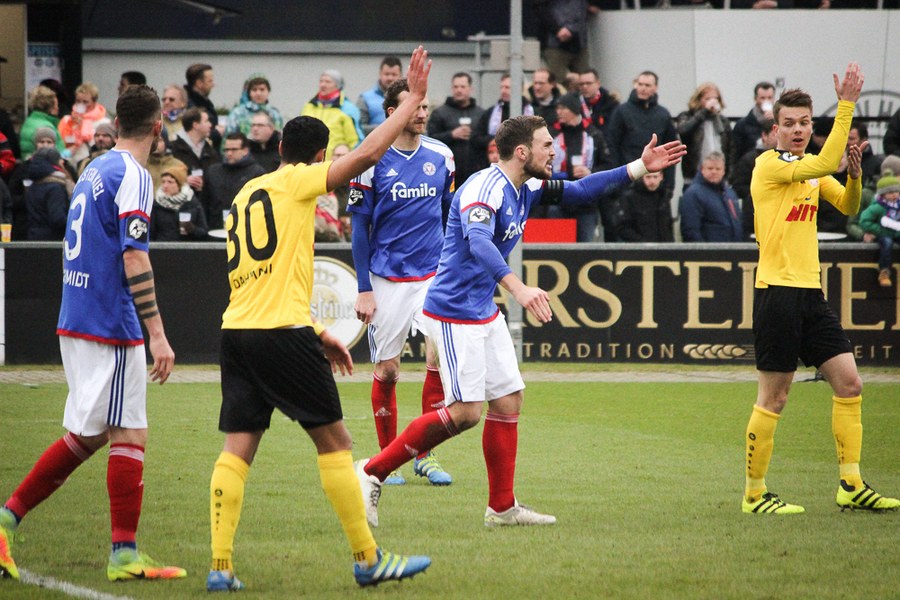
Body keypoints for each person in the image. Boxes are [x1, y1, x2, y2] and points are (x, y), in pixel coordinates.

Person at [354, 115, 685, 529]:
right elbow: (479, 242)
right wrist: (518, 288)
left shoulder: (526, 185)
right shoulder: (484, 188)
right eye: (547, 145)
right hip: (454, 311)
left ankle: (501, 508)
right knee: (465, 413)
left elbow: (581, 190)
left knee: (508, 400)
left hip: (481, 309)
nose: (555, 151)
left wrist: (638, 166)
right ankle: (371, 472)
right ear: (523, 152)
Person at [205, 46, 435, 592]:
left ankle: (220, 566)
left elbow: (259, 280)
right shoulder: (298, 180)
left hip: (237, 332)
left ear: (278, 148)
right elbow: (369, 154)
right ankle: (367, 559)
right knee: (336, 443)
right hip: (280, 335)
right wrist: (412, 102)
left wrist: (317, 331)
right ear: (316, 157)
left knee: (238, 447)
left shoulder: (247, 191)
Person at [0, 84, 186, 582]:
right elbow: (134, 255)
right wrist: (157, 333)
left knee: (93, 432)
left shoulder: (94, 168)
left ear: (116, 123)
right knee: (130, 432)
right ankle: (124, 554)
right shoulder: (135, 175)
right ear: (158, 128)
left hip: (77, 312)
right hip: (109, 318)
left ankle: (6, 519)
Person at [742, 62, 899, 515]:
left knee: (849, 384)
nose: (797, 130)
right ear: (774, 130)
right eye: (789, 123)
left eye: (804, 123)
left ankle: (851, 484)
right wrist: (846, 105)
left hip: (810, 294)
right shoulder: (769, 165)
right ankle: (754, 494)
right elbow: (827, 161)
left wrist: (855, 174)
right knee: (775, 397)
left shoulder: (809, 170)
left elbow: (849, 206)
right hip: (777, 292)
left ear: (812, 127)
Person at [348, 77, 456, 487]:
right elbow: (359, 228)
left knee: (438, 360)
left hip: (432, 275)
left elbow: (449, 214)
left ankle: (425, 455)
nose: (423, 113)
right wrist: (364, 287)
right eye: (415, 107)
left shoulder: (442, 156)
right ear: (393, 113)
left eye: (426, 106)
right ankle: (387, 458)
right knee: (389, 369)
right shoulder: (371, 160)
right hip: (387, 277)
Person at [605, 71, 679, 213]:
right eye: (640, 84)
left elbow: (671, 151)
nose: (643, 88)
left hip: (656, 183)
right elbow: (612, 147)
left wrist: (669, 185)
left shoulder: (663, 114)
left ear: (655, 88)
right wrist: (616, 181)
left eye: (647, 85)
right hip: (628, 179)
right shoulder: (621, 112)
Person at [547, 92, 613, 241]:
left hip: (586, 202)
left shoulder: (593, 134)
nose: (558, 112)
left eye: (563, 108)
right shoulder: (551, 134)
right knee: (557, 247)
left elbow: (608, 164)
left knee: (585, 248)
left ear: (574, 109)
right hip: (558, 199)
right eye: (557, 108)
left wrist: (590, 172)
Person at [426, 72, 485, 186]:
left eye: (462, 87)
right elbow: (431, 139)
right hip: (448, 173)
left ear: (470, 89)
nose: (459, 90)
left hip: (475, 174)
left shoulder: (481, 114)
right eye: (456, 87)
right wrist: (451, 135)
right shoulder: (440, 113)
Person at [204, 132, 265, 229]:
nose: (229, 153)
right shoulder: (213, 171)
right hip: (215, 227)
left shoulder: (256, 172)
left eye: (234, 149)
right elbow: (205, 201)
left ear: (245, 151)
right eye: (226, 150)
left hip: (244, 227)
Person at [676, 82, 733, 186]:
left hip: (719, 176)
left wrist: (728, 175)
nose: (712, 102)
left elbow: (730, 149)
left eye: (715, 99)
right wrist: (704, 111)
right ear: (699, 100)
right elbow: (683, 131)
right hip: (694, 176)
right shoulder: (688, 116)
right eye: (707, 99)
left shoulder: (723, 121)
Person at [729, 118, 777, 239]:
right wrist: (760, 192)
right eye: (775, 134)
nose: (779, 138)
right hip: (755, 215)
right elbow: (738, 186)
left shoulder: (791, 158)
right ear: (764, 135)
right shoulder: (750, 159)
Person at [679, 151, 742, 242]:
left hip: (733, 249)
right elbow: (690, 230)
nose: (714, 172)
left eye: (718, 169)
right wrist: (703, 250)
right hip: (709, 250)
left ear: (723, 171)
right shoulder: (693, 194)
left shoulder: (730, 193)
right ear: (702, 170)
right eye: (710, 168)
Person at [170, 107, 220, 220]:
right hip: (179, 211)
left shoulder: (211, 151)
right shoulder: (173, 149)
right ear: (195, 125)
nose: (210, 125)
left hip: (205, 211)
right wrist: (183, 181)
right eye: (206, 121)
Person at [301, 69, 362, 158]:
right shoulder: (308, 107)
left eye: (328, 82)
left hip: (336, 162)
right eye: (321, 81)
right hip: (310, 161)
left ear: (338, 85)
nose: (323, 85)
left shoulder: (348, 109)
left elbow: (356, 141)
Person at [473, 74, 534, 161]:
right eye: (501, 87)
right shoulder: (491, 112)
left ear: (520, 89)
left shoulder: (531, 111)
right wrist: (493, 139)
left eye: (507, 87)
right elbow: (476, 138)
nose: (503, 91)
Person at [532, 0, 593, 84]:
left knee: (585, 80)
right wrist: (557, 29)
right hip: (554, 43)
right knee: (556, 81)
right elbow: (539, 8)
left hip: (579, 41)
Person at [858, 170, 900, 287]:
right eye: (890, 192)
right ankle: (884, 271)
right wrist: (880, 230)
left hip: (898, 233)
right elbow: (864, 221)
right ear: (882, 194)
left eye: (896, 191)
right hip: (884, 234)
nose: (894, 195)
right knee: (887, 244)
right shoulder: (877, 207)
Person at [150, 162, 208, 242]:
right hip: (164, 246)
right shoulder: (156, 204)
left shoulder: (193, 203)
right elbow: (150, 233)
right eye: (163, 182)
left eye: (170, 182)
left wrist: (192, 229)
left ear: (179, 185)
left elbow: (203, 232)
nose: (165, 186)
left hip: (187, 247)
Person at [24, 147, 72, 241]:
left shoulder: (33, 186)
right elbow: (58, 219)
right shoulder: (55, 188)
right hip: (52, 241)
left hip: (34, 237)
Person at [614, 171, 674, 242]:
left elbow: (668, 226)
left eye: (655, 177)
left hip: (663, 246)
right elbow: (623, 227)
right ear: (641, 177)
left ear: (661, 177)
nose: (652, 181)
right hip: (639, 247)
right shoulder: (630, 198)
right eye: (648, 177)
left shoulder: (664, 196)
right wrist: (642, 243)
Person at [58, 82, 110, 164]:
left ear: (94, 102)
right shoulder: (67, 120)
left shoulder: (104, 123)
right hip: (71, 164)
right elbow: (61, 143)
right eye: (78, 101)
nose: (81, 105)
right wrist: (74, 127)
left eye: (85, 102)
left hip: (94, 163)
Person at [225, 73, 284, 138]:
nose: (258, 93)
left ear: (268, 91)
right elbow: (229, 136)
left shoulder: (275, 114)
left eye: (262, 89)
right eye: (254, 90)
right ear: (249, 93)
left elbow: (279, 136)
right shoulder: (237, 113)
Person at [731, 82, 775, 167]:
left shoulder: (780, 123)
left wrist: (776, 119)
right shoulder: (742, 125)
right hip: (750, 168)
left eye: (770, 98)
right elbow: (736, 154)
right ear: (755, 99)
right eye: (762, 98)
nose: (766, 101)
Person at [357, 56, 403, 136]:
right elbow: (358, 128)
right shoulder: (365, 99)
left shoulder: (408, 99)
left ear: (400, 75)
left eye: (394, 74)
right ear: (380, 74)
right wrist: (382, 129)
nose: (390, 78)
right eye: (386, 74)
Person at [20, 85, 65, 159]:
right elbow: (58, 155)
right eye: (56, 105)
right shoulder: (46, 128)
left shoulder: (29, 121)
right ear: (50, 108)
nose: (58, 108)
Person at [185, 63, 221, 148]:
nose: (213, 85)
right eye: (210, 81)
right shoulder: (189, 106)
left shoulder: (205, 102)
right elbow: (195, 133)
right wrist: (217, 133)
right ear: (199, 83)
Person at [577, 68, 618, 137]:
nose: (584, 87)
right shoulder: (574, 104)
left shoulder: (611, 104)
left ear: (598, 84)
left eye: (589, 83)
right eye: (581, 84)